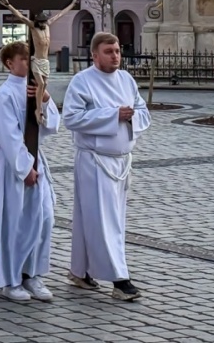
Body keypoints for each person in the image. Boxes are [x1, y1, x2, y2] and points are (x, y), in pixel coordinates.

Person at [63, 32, 150, 302]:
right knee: (103, 221)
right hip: (95, 160)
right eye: (109, 51)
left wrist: (132, 116)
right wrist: (113, 115)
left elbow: (143, 110)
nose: (115, 56)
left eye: (117, 51)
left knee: (96, 219)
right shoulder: (82, 81)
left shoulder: (126, 79)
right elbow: (71, 118)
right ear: (94, 55)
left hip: (121, 161)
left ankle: (80, 271)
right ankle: (119, 279)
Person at [0, 41, 60, 302]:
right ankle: (11, 279)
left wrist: (45, 98)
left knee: (43, 218)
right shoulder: (4, 95)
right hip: (14, 165)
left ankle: (33, 274)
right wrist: (24, 167)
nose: (30, 64)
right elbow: (7, 135)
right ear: (10, 63)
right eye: (25, 59)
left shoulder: (35, 89)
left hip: (36, 158)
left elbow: (51, 126)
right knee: (15, 222)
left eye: (32, 59)